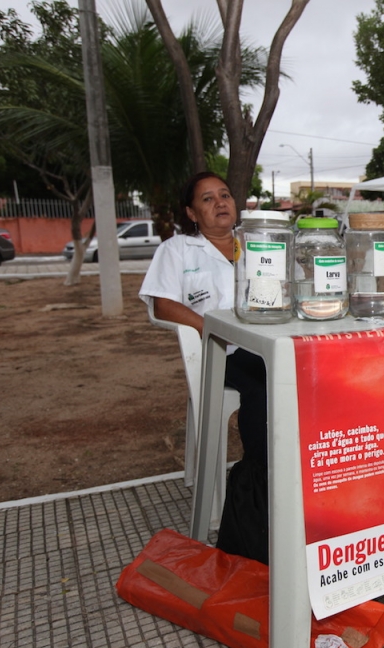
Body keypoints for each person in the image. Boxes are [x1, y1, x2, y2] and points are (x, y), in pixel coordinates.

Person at [139, 171, 269, 565]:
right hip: (222, 353)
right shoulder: (178, 249)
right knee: (267, 382)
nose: (220, 203)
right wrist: (212, 328)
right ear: (192, 213)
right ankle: (261, 480)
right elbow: (162, 304)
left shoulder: (259, 243)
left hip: (268, 343)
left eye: (225, 195)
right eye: (208, 199)